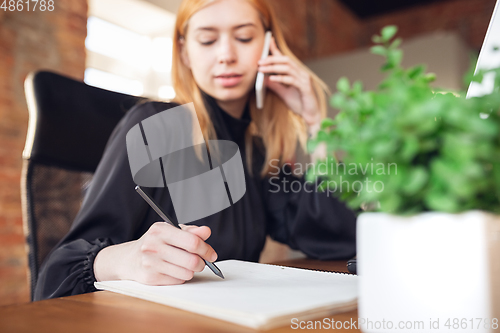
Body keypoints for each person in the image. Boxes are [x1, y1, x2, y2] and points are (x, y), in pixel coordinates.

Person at [34, 0, 356, 301]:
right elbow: (56, 274)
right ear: (184, 52)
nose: (227, 54)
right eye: (207, 40)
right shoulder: (157, 126)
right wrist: (126, 260)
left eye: (244, 38)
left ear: (268, 46)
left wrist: (316, 124)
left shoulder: (255, 152)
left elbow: (337, 234)